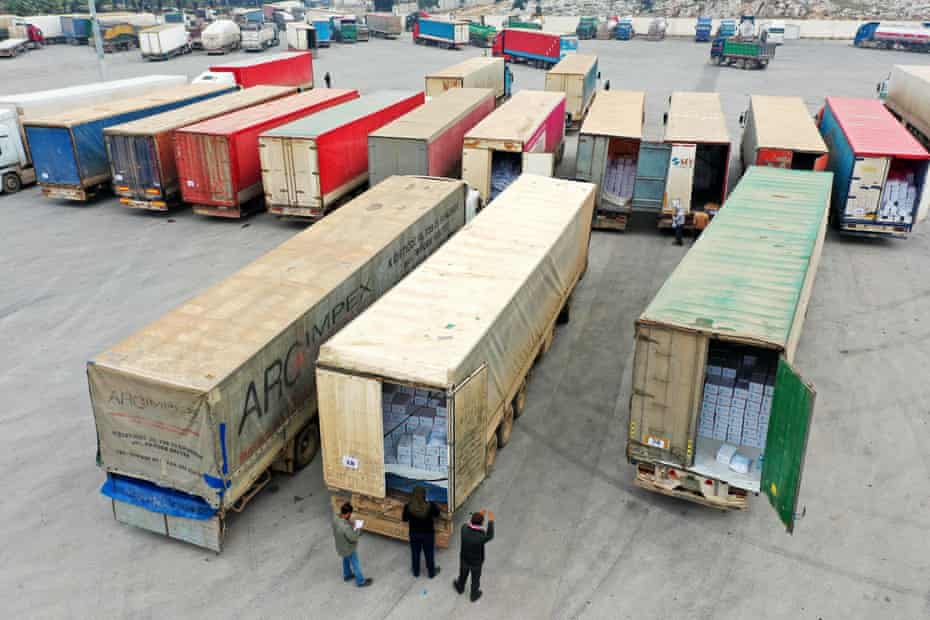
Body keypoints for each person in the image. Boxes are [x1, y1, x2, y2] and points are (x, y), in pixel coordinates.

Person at [454, 510, 495, 602]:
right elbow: (490, 535)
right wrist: (491, 521)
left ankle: (460, 587)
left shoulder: (463, 529)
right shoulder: (481, 536)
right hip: (476, 562)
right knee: (475, 579)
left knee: (462, 575)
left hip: (464, 559)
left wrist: (477, 516)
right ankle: (474, 595)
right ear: (481, 523)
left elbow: (469, 524)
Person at [402, 486, 441, 579]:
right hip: (428, 534)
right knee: (429, 554)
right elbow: (437, 514)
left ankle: (416, 572)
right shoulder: (430, 505)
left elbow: (404, 519)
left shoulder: (408, 506)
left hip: (414, 534)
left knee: (415, 553)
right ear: (424, 495)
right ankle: (431, 573)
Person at [332, 502, 373, 588]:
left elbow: (342, 527)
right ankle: (361, 581)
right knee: (355, 563)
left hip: (340, 545)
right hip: (349, 547)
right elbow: (353, 537)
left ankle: (347, 575)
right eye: (350, 514)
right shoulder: (345, 527)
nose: (350, 516)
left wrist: (349, 523)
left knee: (345, 559)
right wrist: (357, 528)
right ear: (346, 514)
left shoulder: (335, 518)